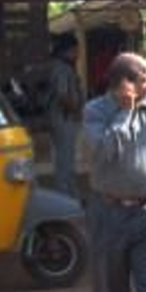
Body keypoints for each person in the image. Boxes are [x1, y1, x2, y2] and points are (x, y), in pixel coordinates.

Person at [83, 53, 146, 292]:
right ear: (126, 83)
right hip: (110, 216)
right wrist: (124, 112)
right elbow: (103, 153)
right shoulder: (95, 112)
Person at [48, 33, 84, 198]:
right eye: (75, 50)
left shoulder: (64, 67)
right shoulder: (61, 68)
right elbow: (62, 95)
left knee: (67, 159)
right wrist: (75, 110)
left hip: (65, 118)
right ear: (67, 50)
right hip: (64, 118)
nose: (77, 53)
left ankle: (70, 194)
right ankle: (64, 196)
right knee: (65, 161)